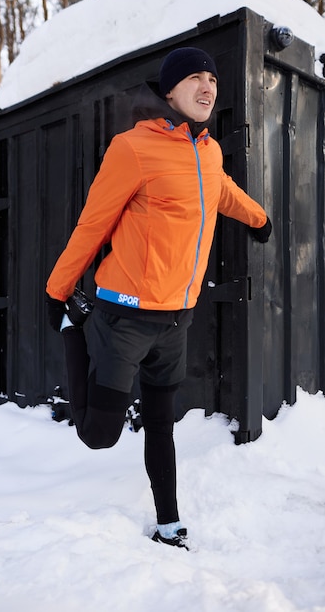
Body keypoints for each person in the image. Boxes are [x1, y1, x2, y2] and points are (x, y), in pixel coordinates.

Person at [45, 47, 271, 549]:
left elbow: (222, 190)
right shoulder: (133, 148)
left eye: (212, 77)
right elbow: (93, 222)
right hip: (122, 319)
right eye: (194, 77)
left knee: (162, 427)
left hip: (176, 320)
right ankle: (72, 333)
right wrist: (58, 290)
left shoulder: (208, 151)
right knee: (99, 435)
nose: (207, 85)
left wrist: (259, 218)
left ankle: (168, 522)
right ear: (169, 91)